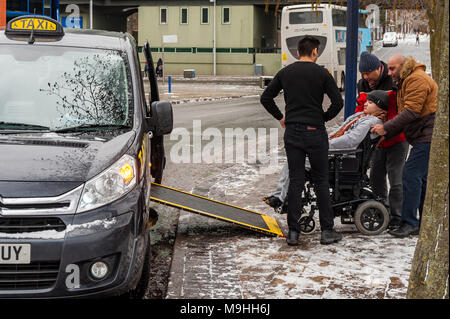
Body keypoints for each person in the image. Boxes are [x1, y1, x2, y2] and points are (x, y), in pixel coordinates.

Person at [264, 52, 409, 230]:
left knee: (396, 179)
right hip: (373, 139)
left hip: (392, 137)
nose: (364, 78)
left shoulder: (392, 85)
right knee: (377, 178)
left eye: (367, 74)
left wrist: (323, 143)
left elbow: (353, 139)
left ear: (378, 69)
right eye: (362, 74)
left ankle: (397, 217)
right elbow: (353, 123)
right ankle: (382, 210)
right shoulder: (363, 99)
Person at [260, 35, 343, 246]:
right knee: (321, 181)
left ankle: (294, 233)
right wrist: (322, 118)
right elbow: (338, 102)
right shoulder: (322, 74)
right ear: (315, 52)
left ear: (298, 52)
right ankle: (327, 231)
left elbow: (266, 97)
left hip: (293, 133)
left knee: (296, 181)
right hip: (315, 132)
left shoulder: (286, 72)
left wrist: (281, 117)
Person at [264, 90, 390, 214]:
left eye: (371, 103)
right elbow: (340, 131)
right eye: (366, 101)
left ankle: (281, 198)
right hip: (339, 154)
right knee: (295, 160)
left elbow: (351, 140)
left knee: (295, 163)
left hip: (344, 158)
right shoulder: (361, 116)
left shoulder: (372, 122)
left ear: (380, 107)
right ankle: (281, 197)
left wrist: (323, 144)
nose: (366, 104)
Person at [371, 54, 438, 238]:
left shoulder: (416, 79)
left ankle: (409, 223)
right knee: (421, 179)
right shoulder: (407, 79)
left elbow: (411, 112)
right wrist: (388, 132)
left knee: (410, 174)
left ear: (403, 65)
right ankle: (423, 221)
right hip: (422, 135)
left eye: (393, 69)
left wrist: (385, 128)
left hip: (427, 134)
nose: (390, 72)